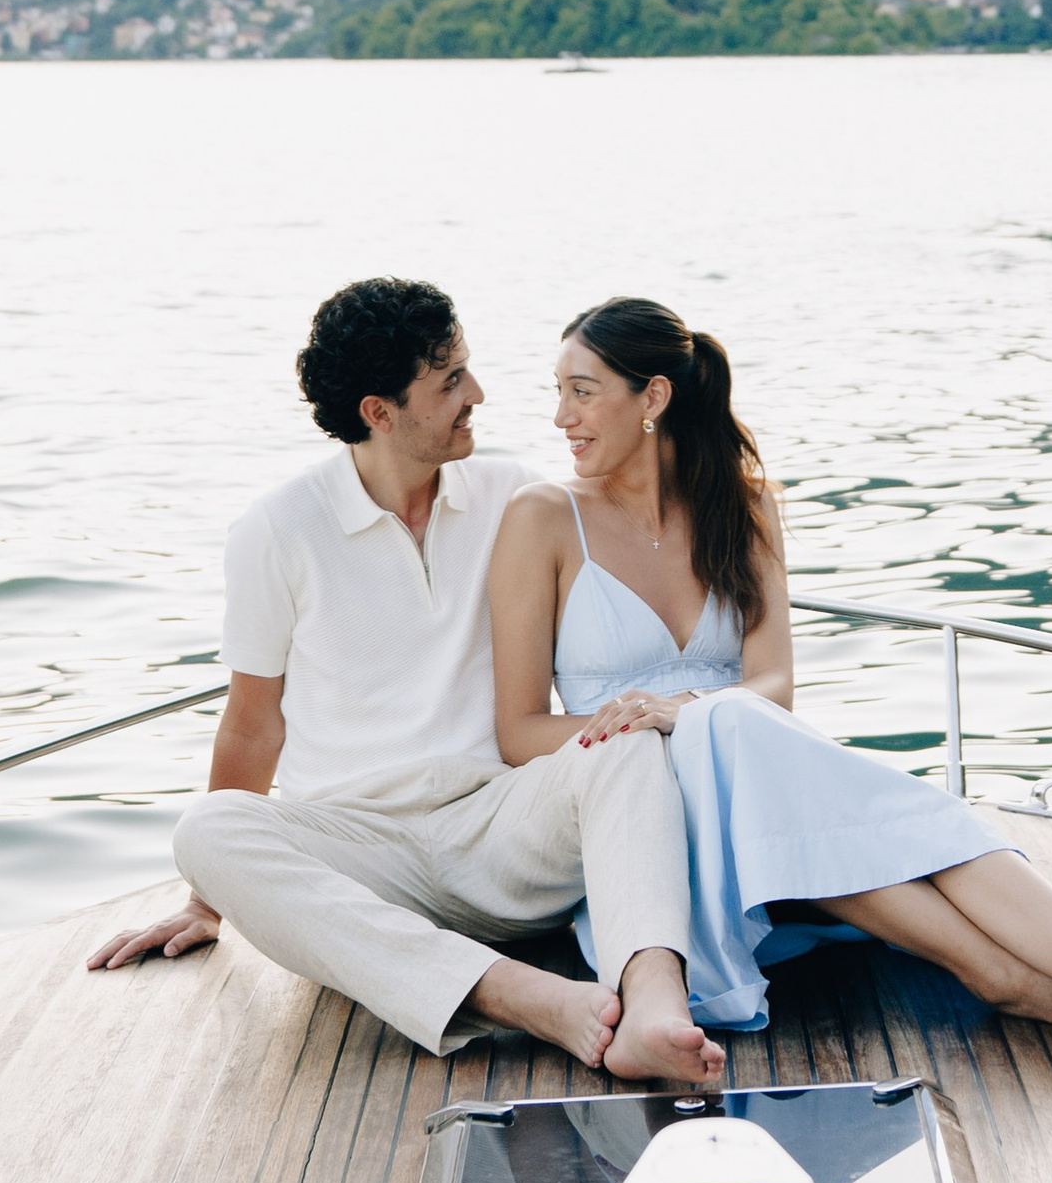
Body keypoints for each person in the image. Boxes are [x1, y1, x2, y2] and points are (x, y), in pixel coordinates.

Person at [488, 295, 1052, 1100]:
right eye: (557, 391)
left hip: (757, 777)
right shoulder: (544, 517)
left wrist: (692, 708)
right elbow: (518, 730)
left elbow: (775, 686)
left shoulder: (746, 506)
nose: (562, 416)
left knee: (736, 723)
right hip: (644, 825)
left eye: (582, 391)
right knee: (746, 735)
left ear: (653, 398)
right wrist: (653, 729)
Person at [88, 274, 724, 1087]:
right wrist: (207, 900)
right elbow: (253, 725)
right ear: (379, 412)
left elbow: (642, 527)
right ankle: (524, 998)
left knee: (622, 744)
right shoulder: (276, 531)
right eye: (450, 381)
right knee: (207, 831)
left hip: (501, 824)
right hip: (362, 851)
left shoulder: (511, 493)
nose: (478, 395)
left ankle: (655, 1003)